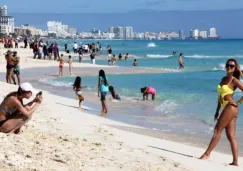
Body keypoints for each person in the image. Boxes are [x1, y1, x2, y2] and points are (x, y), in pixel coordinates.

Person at [200, 59, 243, 166]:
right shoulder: (223, 79)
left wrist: (238, 102)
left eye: (231, 66)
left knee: (217, 129)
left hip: (231, 108)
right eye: (227, 65)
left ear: (235, 68)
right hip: (225, 108)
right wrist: (217, 111)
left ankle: (207, 153)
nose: (229, 67)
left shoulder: (234, 80)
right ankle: (235, 162)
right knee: (230, 136)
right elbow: (220, 96)